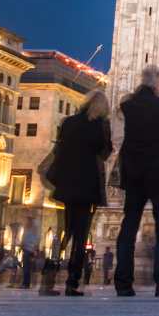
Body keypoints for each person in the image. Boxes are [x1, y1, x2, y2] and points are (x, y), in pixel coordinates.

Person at [114, 66, 159, 297]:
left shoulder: (128, 105)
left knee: (128, 226)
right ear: (157, 83)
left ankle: (123, 283)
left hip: (133, 172)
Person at [46, 89, 113, 297]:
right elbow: (106, 151)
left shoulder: (68, 122)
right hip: (87, 185)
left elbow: (60, 148)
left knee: (66, 231)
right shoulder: (101, 126)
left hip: (67, 184)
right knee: (81, 234)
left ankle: (49, 275)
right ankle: (72, 281)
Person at [19, 218, 39, 288]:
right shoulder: (33, 232)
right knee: (27, 268)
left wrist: (22, 245)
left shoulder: (30, 231)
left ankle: (25, 284)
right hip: (29, 251)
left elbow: (26, 242)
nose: (26, 223)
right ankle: (26, 283)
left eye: (27, 222)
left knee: (26, 268)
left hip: (28, 251)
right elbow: (35, 243)